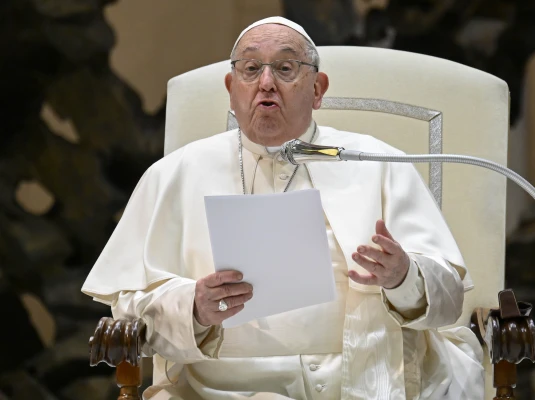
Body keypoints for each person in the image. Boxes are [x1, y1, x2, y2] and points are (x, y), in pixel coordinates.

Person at [82, 17, 484, 400]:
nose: (267, 83)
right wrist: (193, 308)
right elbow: (128, 311)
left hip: (366, 379)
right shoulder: (175, 173)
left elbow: (449, 302)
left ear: (318, 89)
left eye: (286, 68)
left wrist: (404, 277)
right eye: (251, 68)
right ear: (231, 87)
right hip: (224, 390)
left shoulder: (375, 162)